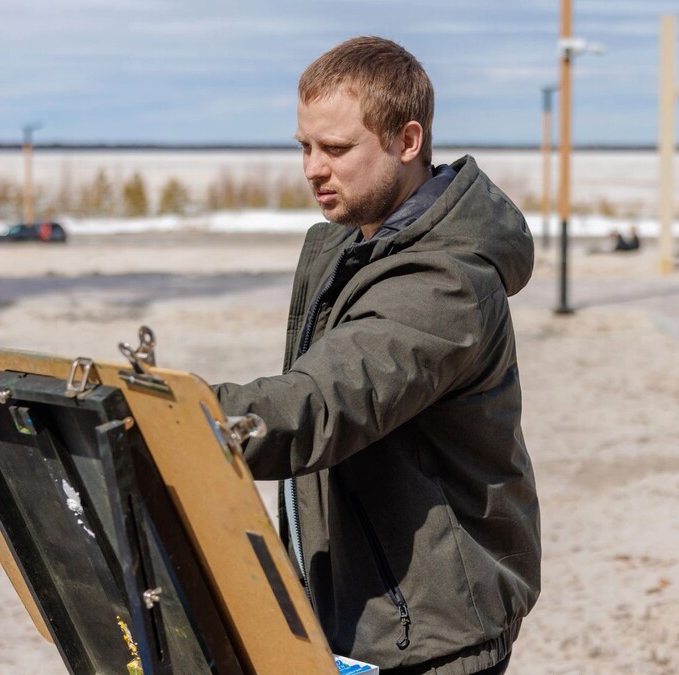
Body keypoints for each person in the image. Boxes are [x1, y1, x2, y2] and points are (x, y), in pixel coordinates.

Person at [215, 37, 540, 675]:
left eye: (336, 149)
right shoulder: (344, 249)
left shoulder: (446, 283)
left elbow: (321, 404)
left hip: (428, 632)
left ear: (407, 141)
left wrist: (168, 419)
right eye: (304, 146)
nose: (313, 169)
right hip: (354, 609)